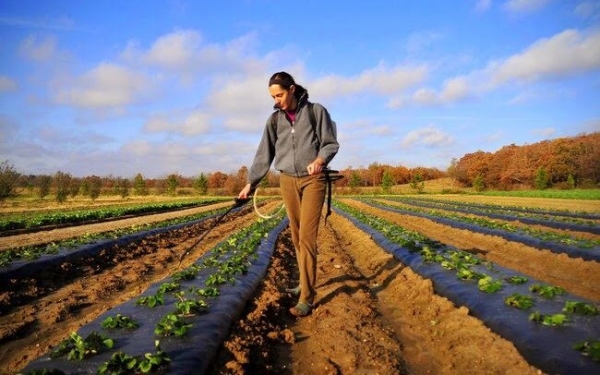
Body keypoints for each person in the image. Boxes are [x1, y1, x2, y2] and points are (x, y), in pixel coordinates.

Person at [238, 71, 339, 317]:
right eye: (273, 97)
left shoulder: (316, 111)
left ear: (292, 89)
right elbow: (264, 154)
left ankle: (307, 297)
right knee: (295, 235)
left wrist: (319, 160)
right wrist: (251, 183)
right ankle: (304, 282)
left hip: (313, 180)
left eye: (280, 95)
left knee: (306, 236)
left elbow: (330, 143)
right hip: (287, 180)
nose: (276, 100)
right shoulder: (274, 121)